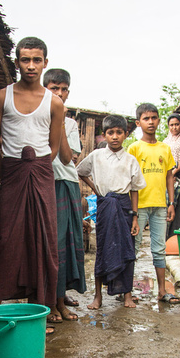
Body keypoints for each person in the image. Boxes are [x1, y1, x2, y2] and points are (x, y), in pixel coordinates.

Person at [0, 37, 65, 316]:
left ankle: (41, 305)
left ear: (45, 62)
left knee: (43, 239)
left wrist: (35, 170)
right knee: (7, 238)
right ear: (17, 61)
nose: (30, 66)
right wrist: (6, 173)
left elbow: (53, 148)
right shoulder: (2, 96)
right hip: (12, 174)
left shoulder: (54, 103)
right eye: (24, 59)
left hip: (41, 173)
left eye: (36, 60)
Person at [78, 115, 145, 309]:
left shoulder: (131, 160)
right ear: (104, 135)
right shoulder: (96, 156)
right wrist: (96, 190)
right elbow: (80, 171)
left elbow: (134, 190)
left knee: (126, 249)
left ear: (125, 134)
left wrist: (135, 218)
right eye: (110, 133)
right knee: (103, 249)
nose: (115, 136)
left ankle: (127, 295)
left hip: (124, 207)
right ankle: (97, 296)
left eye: (119, 132)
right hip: (105, 205)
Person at [44, 68, 86, 322]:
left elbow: (67, 157)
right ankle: (47, 304)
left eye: (63, 89)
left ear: (68, 93)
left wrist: (58, 120)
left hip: (66, 184)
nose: (58, 93)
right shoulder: (35, 116)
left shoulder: (69, 124)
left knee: (65, 244)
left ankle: (59, 302)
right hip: (44, 182)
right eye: (53, 88)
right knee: (49, 245)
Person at [128, 103, 179, 304]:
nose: (151, 122)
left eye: (154, 118)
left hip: (159, 205)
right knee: (133, 247)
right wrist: (132, 211)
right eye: (146, 118)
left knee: (159, 249)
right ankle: (127, 291)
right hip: (138, 206)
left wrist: (171, 202)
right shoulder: (134, 148)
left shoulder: (165, 148)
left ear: (159, 120)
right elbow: (130, 179)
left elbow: (169, 177)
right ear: (138, 122)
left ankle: (161, 292)